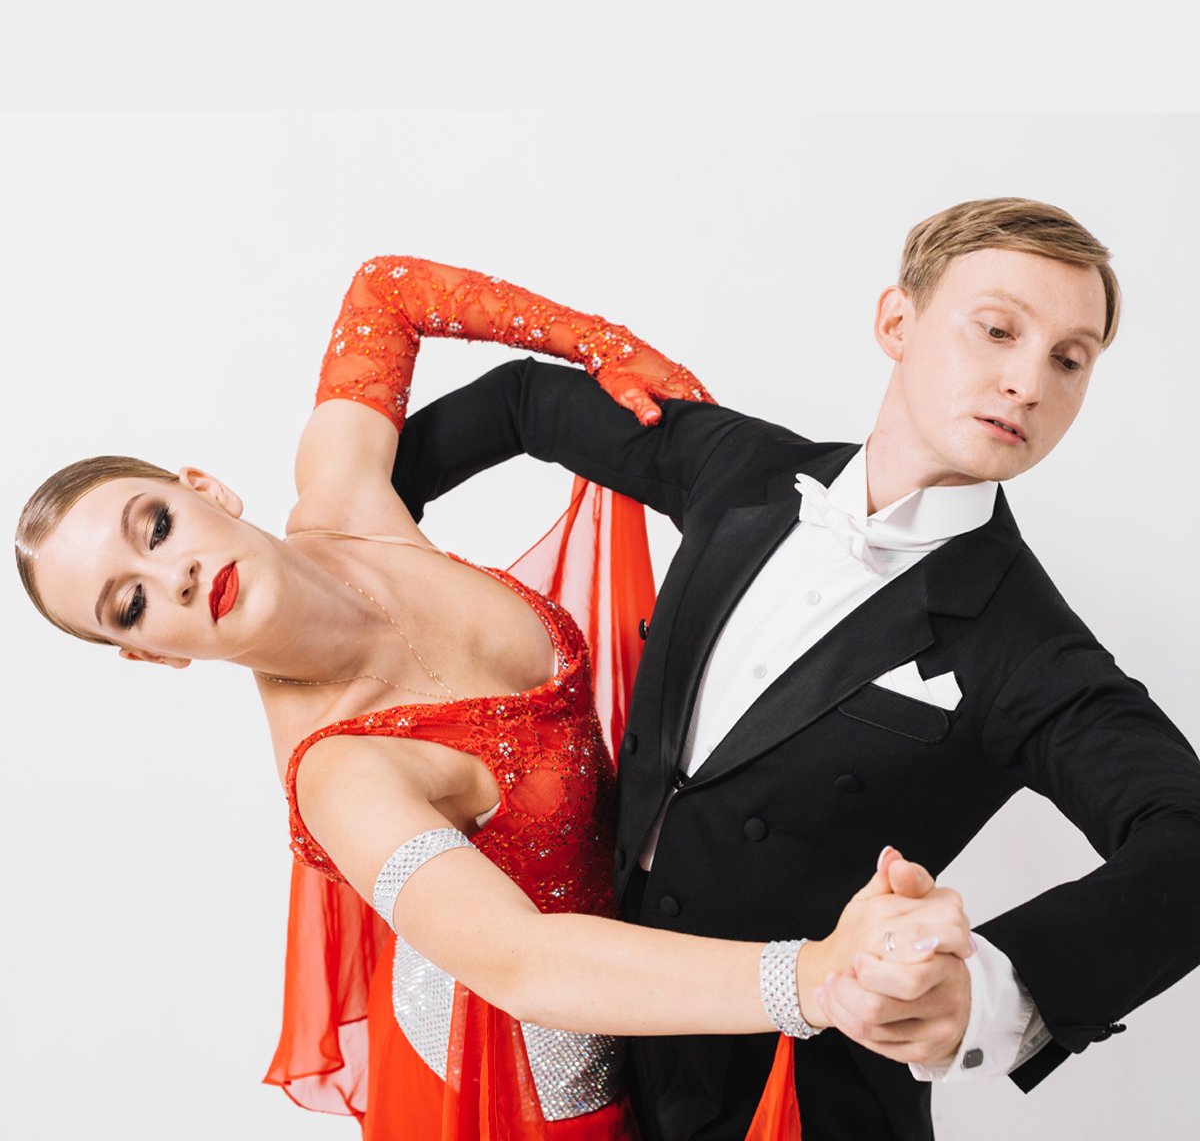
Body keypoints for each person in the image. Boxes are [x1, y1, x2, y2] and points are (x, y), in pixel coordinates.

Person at [14, 258, 971, 1141]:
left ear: (204, 489)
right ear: (150, 655)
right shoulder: (341, 774)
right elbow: (522, 961)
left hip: (654, 945)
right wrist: (818, 975)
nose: (174, 575)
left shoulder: (347, 494)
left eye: (155, 525)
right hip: (534, 1073)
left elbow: (385, 289)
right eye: (130, 603)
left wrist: (602, 347)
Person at [386, 199, 1200, 1141]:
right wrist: (356, 532)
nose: (1027, 382)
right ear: (897, 321)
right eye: (997, 329)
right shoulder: (742, 469)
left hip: (798, 1097)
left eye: (1069, 360)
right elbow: (524, 402)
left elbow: (1187, 839)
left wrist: (990, 993)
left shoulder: (1029, 645)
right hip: (592, 1029)